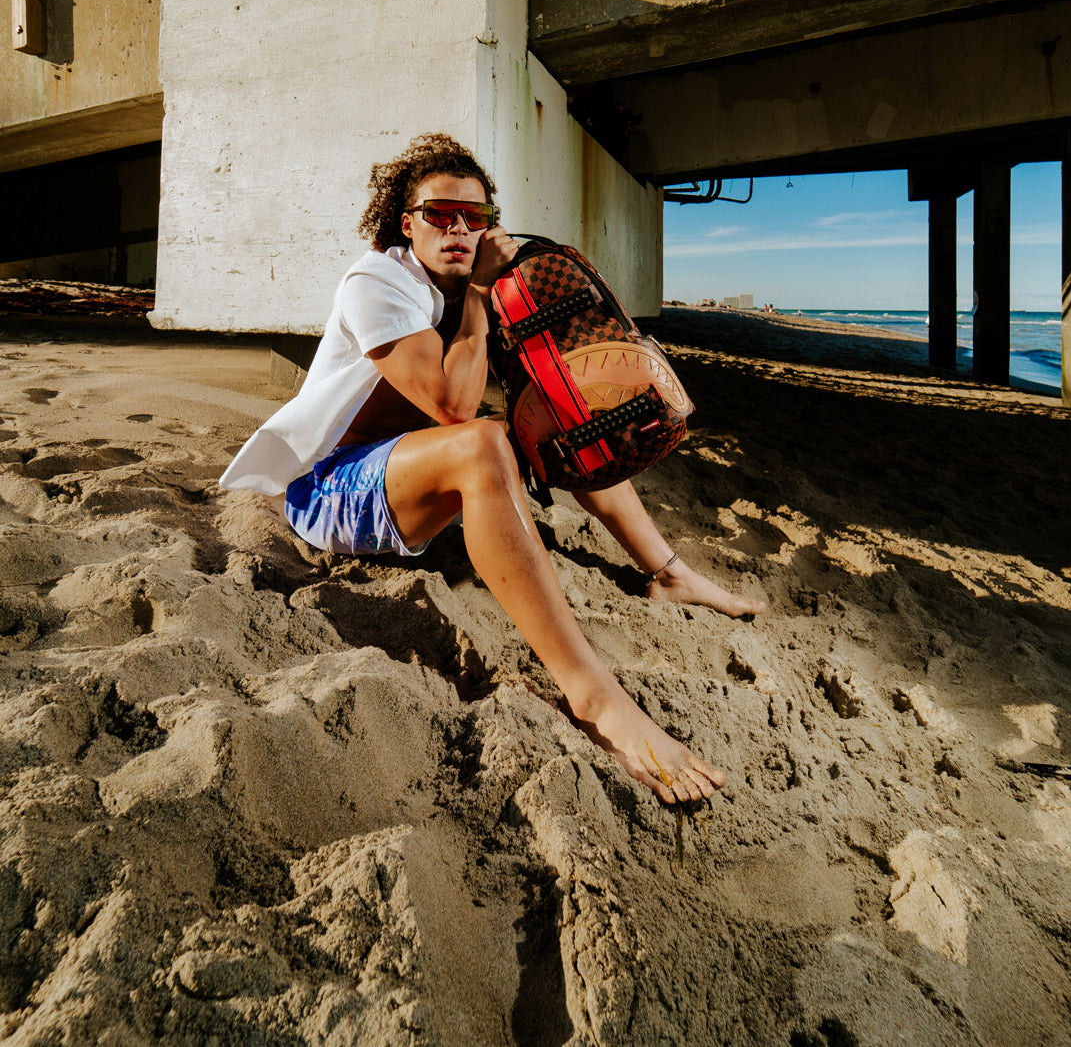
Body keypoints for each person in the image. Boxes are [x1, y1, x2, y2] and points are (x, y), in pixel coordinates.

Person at [221, 133, 765, 804]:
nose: (457, 229)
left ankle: (668, 572)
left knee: (565, 418)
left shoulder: (475, 284)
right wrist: (480, 297)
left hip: (406, 475)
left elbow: (540, 384)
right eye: (439, 214)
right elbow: (452, 405)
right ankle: (596, 699)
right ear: (406, 221)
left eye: (473, 218)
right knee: (481, 442)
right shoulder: (379, 283)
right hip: (330, 491)